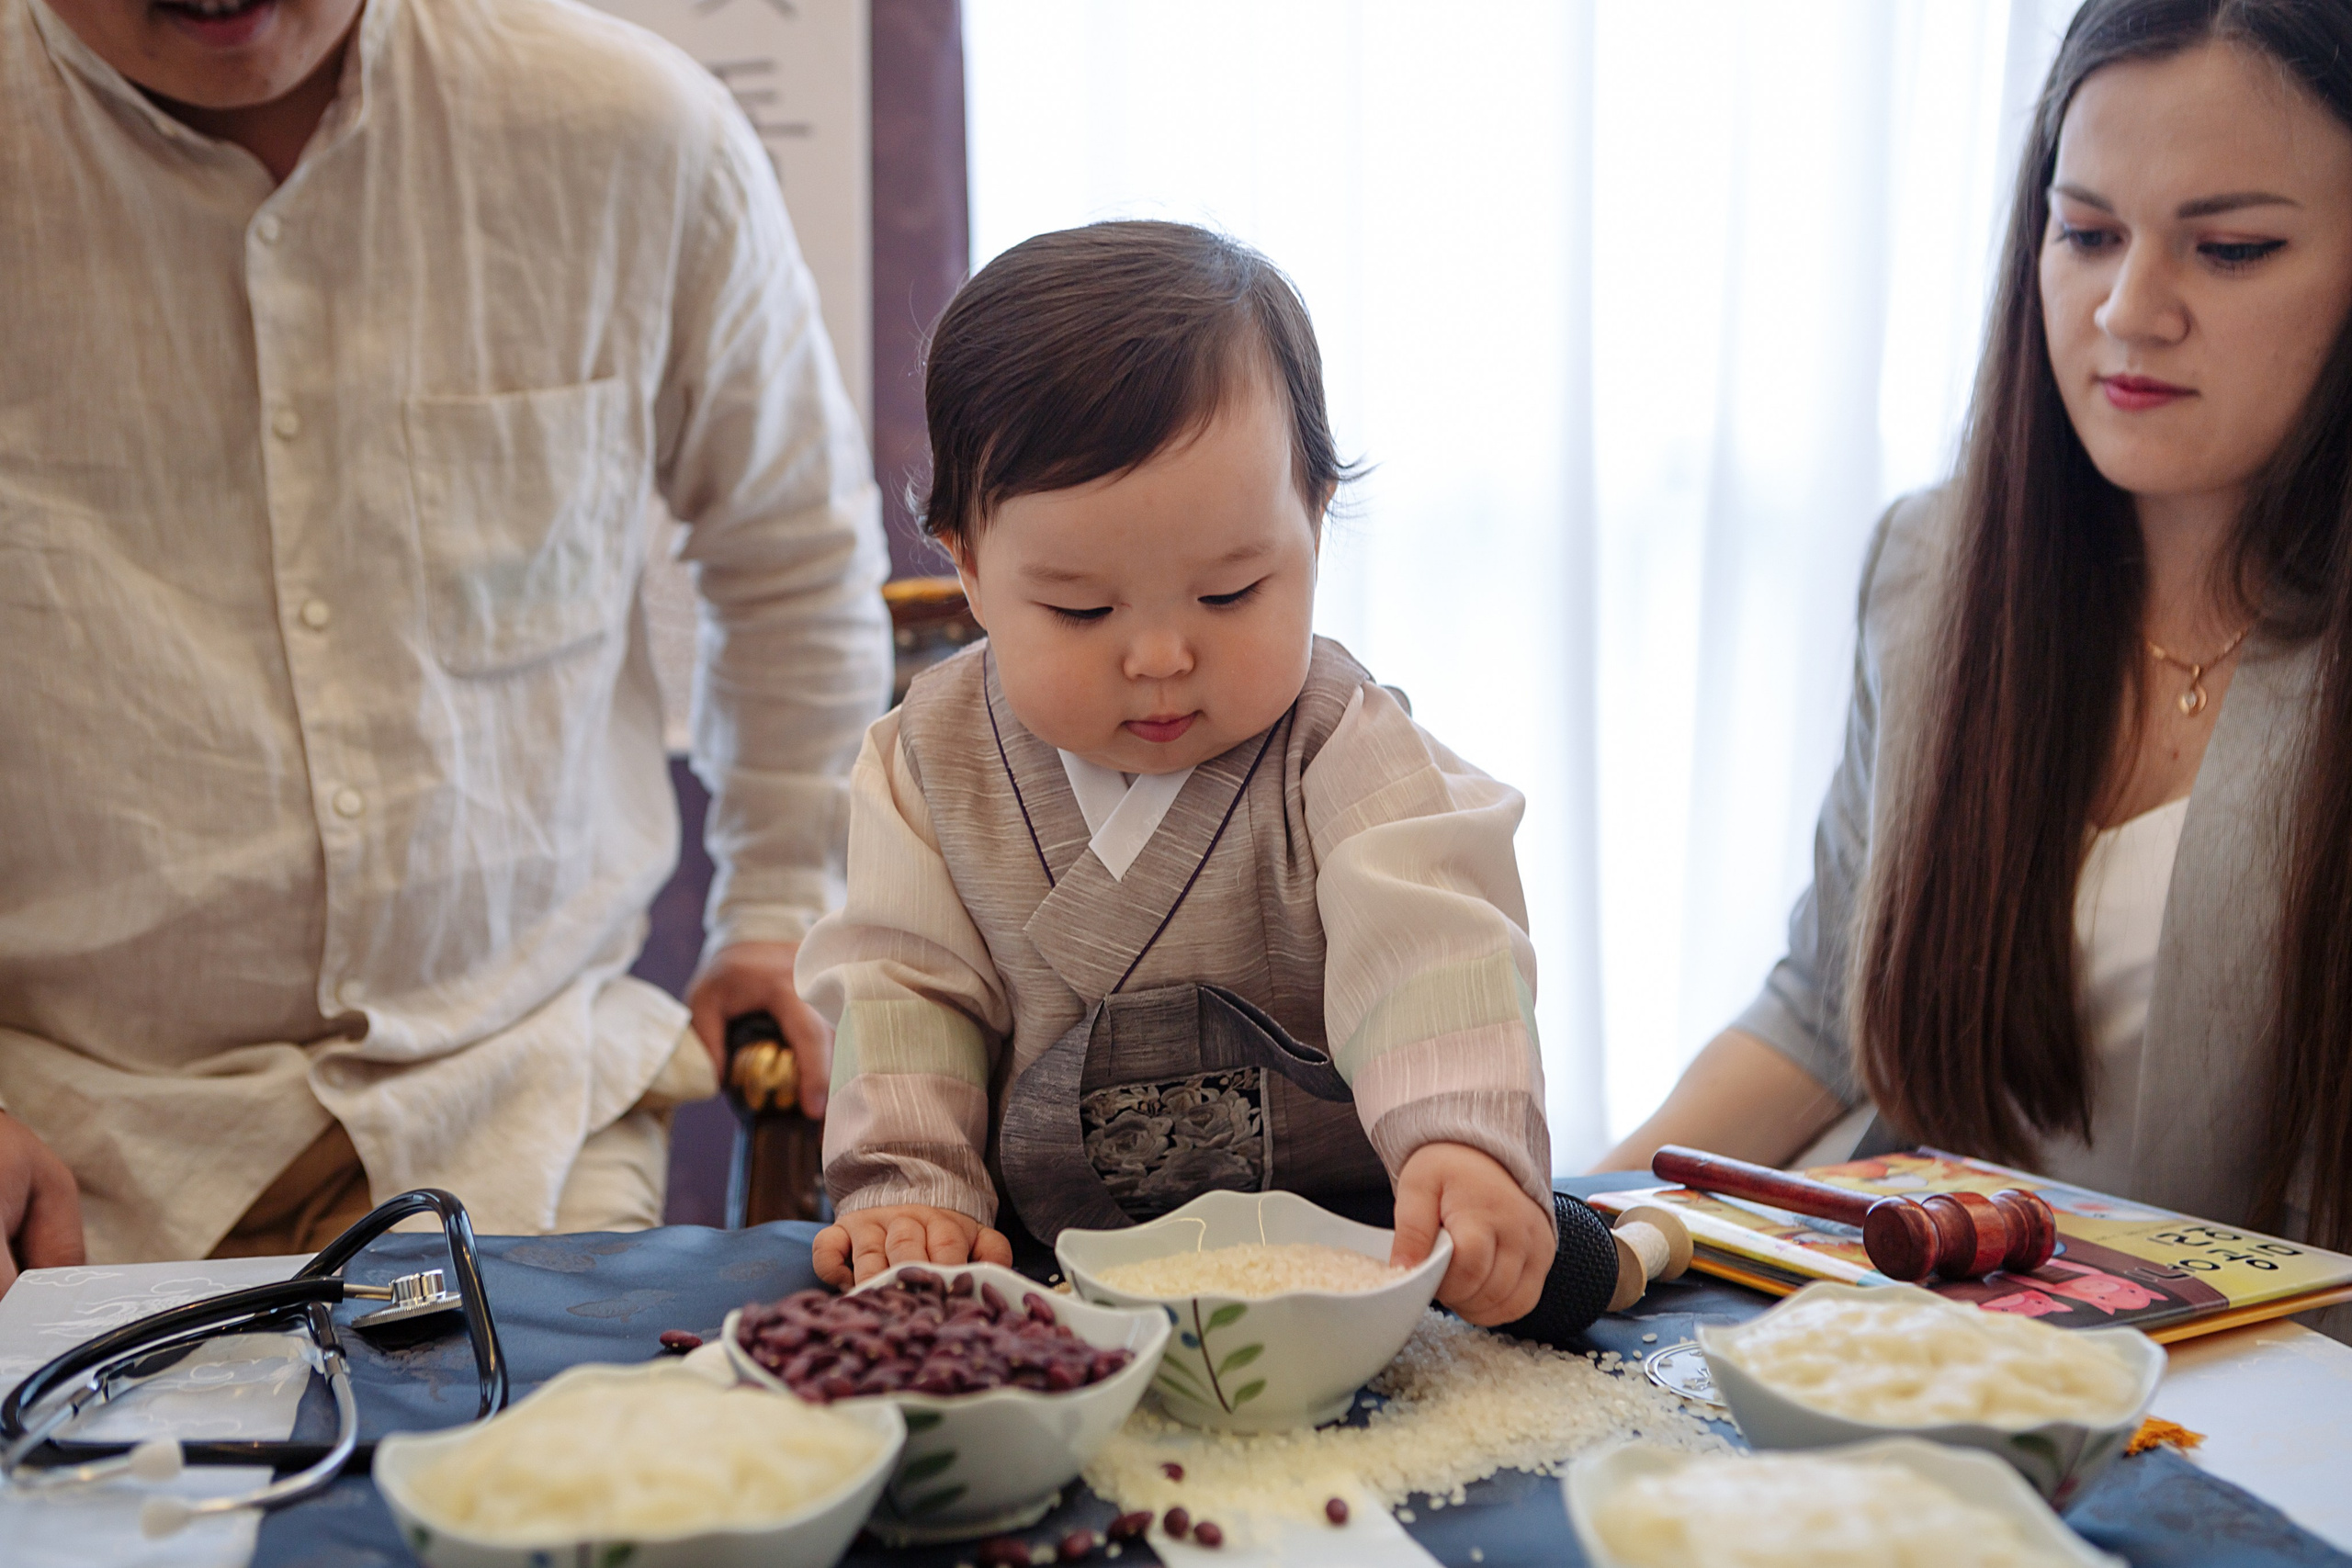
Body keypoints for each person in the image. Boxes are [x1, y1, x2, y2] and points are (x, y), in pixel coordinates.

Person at [0, 0, 889, 1289]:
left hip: (524, 1097)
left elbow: (790, 551)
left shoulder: (632, 131)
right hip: (78, 1148)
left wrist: (775, 904)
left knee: (577, 1484)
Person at [1601, 0, 2352, 1316]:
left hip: (2245, 1391)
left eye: (2229, 248)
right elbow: (1824, 1010)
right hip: (1898, 1330)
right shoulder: (1935, 568)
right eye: (2087, 231)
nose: (2129, 307)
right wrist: (1581, 1214)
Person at [795, 222, 1558, 1325]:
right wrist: (914, 1195)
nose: (1159, 656)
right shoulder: (929, 758)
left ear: (1316, 517)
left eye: (1231, 592)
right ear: (965, 563)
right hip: (1044, 1284)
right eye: (1081, 610)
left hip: (1340, 1269)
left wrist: (1460, 1141)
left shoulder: (1342, 744)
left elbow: (1429, 951)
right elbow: (902, 996)